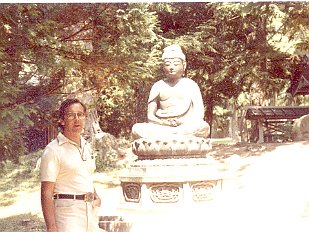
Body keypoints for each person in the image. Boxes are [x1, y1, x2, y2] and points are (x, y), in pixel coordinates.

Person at [40, 98, 103, 232]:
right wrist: (51, 227)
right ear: (62, 120)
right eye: (70, 115)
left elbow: (84, 174)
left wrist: (96, 197)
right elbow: (46, 192)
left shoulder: (86, 146)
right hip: (67, 216)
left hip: (90, 212)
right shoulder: (53, 150)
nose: (76, 119)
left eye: (80, 114)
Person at [132, 44, 210, 140]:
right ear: (163, 67)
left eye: (176, 64)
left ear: (184, 65)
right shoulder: (158, 86)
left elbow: (199, 114)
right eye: (167, 64)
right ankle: (176, 138)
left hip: (185, 125)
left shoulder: (191, 85)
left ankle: (168, 138)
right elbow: (150, 116)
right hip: (161, 126)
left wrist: (182, 122)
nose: (171, 67)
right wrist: (164, 123)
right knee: (137, 129)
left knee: (203, 127)